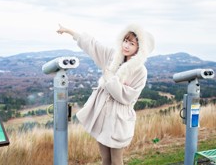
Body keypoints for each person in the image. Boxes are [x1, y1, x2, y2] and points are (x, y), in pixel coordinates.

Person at [56, 23, 155, 165]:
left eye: (131, 43)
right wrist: (70, 31)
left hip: (119, 121)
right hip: (102, 118)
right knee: (105, 159)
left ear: (139, 49)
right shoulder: (113, 57)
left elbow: (127, 97)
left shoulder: (140, 71)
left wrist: (110, 79)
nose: (126, 46)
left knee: (116, 161)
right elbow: (93, 45)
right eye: (125, 41)